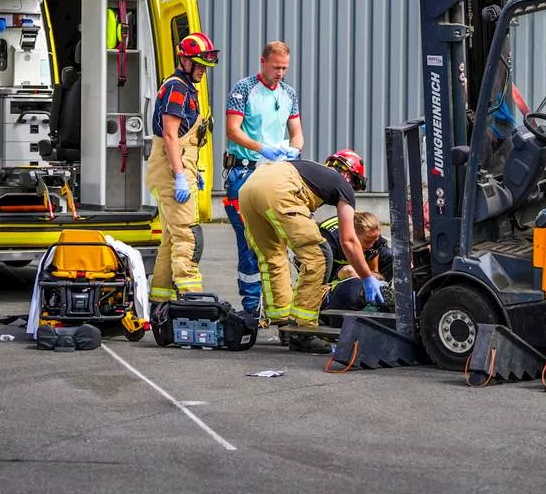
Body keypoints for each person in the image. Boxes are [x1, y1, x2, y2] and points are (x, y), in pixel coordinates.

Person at [237, 148, 383, 353]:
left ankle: (285, 324)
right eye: (356, 185)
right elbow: (349, 240)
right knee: (319, 256)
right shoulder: (342, 185)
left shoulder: (313, 172)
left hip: (250, 187)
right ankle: (303, 331)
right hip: (279, 189)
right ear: (349, 175)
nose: (354, 191)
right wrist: (367, 277)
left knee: (272, 256)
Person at [222, 41, 305, 317]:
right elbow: (233, 131)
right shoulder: (244, 89)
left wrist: (295, 148)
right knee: (248, 243)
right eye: (276, 67)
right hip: (246, 170)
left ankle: (276, 308)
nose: (280, 72)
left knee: (277, 242)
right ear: (263, 61)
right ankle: (250, 309)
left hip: (275, 172)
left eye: (285, 68)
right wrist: (262, 148)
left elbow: (297, 132)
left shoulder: (288, 93)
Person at [146, 32, 220, 303]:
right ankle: (192, 300)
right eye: (198, 64)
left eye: (205, 66)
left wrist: (193, 172)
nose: (202, 70)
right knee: (188, 236)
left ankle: (160, 303)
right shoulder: (177, 87)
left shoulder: (187, 87)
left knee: (170, 239)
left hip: (181, 167)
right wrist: (179, 175)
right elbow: (170, 136)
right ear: (184, 60)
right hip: (170, 171)